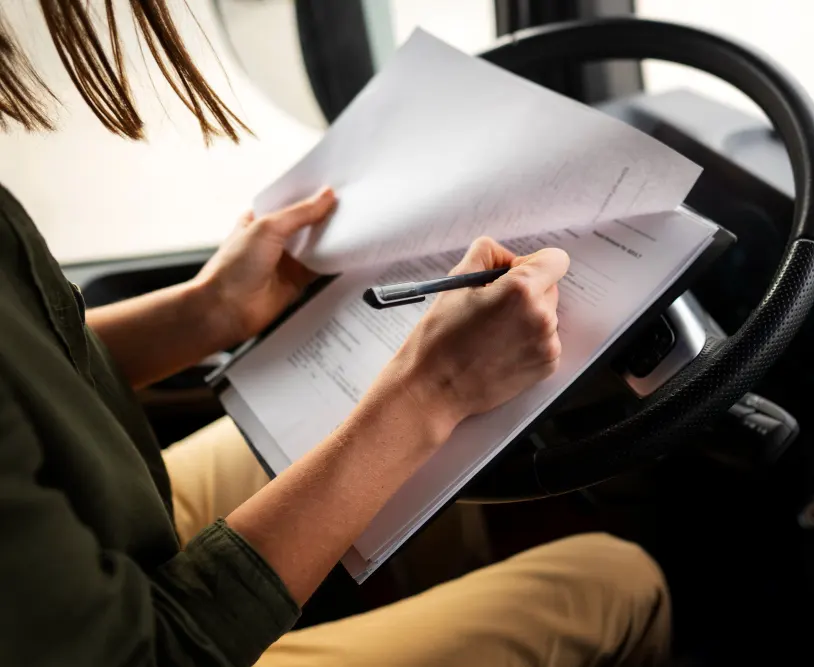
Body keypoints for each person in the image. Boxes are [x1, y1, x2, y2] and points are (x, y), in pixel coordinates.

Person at [0, 2, 670, 666]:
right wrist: (429, 392)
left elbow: (24, 362)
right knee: (616, 581)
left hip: (85, 528)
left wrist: (205, 311)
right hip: (130, 628)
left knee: (372, 438)